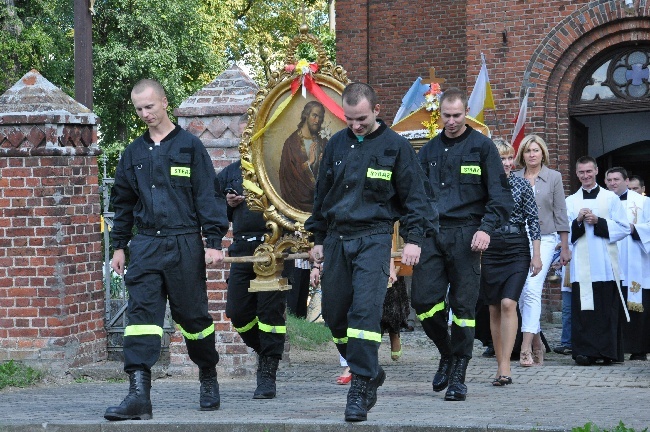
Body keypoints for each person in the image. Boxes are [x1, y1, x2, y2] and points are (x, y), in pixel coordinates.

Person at [305, 82, 437, 422]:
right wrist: (317, 239)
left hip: (374, 237)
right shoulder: (335, 144)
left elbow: (416, 200)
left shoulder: (396, 148)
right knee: (335, 315)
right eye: (349, 119)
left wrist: (413, 239)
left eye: (361, 118)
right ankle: (370, 370)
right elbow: (322, 196)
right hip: (336, 238)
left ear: (377, 110)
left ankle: (360, 387)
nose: (356, 125)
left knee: (364, 314)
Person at [105, 79, 228, 420]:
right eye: (139, 109)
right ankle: (138, 395)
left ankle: (207, 374)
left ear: (164, 102)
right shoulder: (132, 153)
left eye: (150, 107)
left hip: (184, 242)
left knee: (194, 318)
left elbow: (208, 195)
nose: (145, 114)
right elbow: (123, 202)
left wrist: (213, 242)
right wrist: (119, 246)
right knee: (141, 318)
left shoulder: (189, 147)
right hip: (145, 245)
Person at [411, 87, 514, 402]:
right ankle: (447, 352)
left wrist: (486, 228)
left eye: (457, 115)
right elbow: (415, 198)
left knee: (464, 308)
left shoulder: (483, 148)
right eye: (447, 115)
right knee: (423, 302)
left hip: (468, 235)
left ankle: (458, 375)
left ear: (465, 113)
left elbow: (501, 196)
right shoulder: (427, 151)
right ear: (439, 114)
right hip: (432, 233)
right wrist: (413, 237)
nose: (452, 121)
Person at [216, 115, 288, 399]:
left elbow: (293, 209)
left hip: (273, 249)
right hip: (243, 252)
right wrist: (227, 203)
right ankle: (266, 351)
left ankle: (267, 372)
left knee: (270, 314)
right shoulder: (230, 174)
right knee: (238, 311)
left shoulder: (277, 171)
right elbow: (214, 218)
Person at [481, 139, 541, 386]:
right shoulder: (482, 187)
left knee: (508, 303)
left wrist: (536, 254)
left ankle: (506, 364)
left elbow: (533, 221)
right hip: (490, 248)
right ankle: (501, 363)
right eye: (501, 158)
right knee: (494, 307)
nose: (506, 163)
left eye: (509, 158)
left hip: (517, 247)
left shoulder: (522, 184)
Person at [513, 134, 571, 366]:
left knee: (533, 288)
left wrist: (564, 246)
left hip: (546, 238)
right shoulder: (514, 177)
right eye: (528, 151)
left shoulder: (553, 177)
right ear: (522, 155)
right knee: (519, 292)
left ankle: (525, 347)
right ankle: (537, 341)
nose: (532, 154)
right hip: (519, 237)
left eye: (536, 150)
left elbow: (561, 212)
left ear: (543, 153)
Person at [566, 156, 630, 366]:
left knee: (605, 309)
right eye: (581, 172)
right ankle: (584, 352)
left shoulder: (610, 198)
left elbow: (623, 228)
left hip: (605, 264)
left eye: (589, 172)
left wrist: (598, 221)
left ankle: (607, 352)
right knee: (584, 310)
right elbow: (565, 233)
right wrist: (578, 221)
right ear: (577, 174)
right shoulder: (571, 201)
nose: (585, 176)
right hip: (582, 266)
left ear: (596, 171)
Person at [605, 167, 650, 361]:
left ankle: (638, 348)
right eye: (609, 180)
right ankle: (614, 348)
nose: (613, 183)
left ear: (626, 180)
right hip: (611, 260)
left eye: (617, 179)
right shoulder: (603, 200)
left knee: (637, 304)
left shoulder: (643, 202)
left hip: (635, 261)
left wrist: (634, 228)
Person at [279, 101, 327, 212]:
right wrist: (309, 163)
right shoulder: (291, 143)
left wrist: (323, 163)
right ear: (306, 115)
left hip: (320, 201)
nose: (317, 121)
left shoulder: (323, 141)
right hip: (298, 200)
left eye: (320, 117)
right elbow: (287, 176)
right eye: (314, 115)